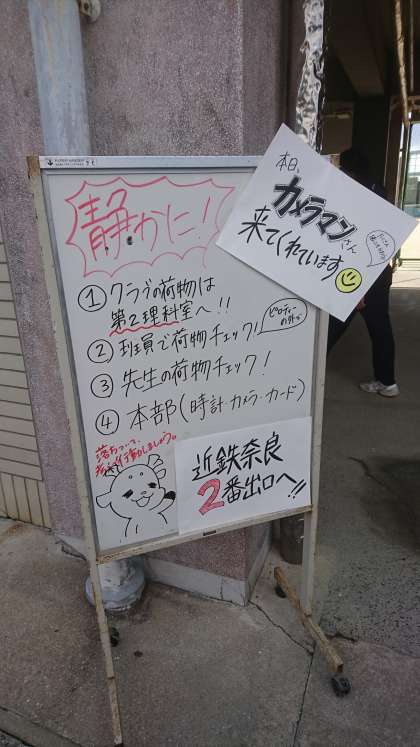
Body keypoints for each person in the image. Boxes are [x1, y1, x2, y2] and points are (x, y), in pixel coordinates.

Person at [327, 148, 399, 397]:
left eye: (340, 168)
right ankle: (387, 382)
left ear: (349, 170)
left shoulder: (357, 196)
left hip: (361, 275)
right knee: (379, 327)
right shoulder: (377, 190)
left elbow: (357, 244)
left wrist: (358, 289)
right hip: (379, 271)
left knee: (333, 325)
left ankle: (303, 377)